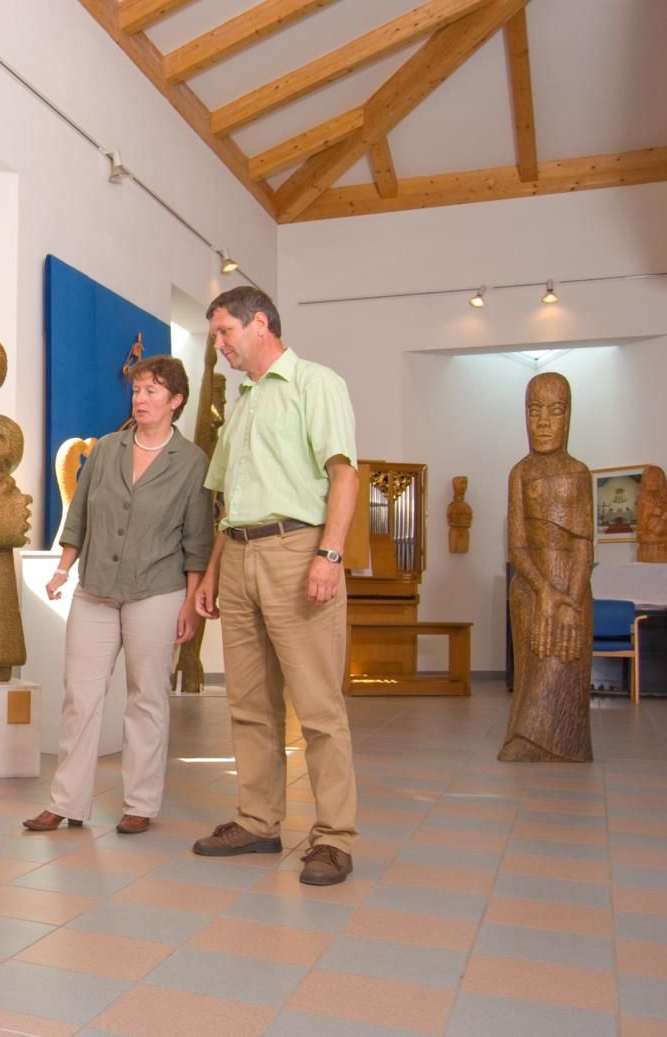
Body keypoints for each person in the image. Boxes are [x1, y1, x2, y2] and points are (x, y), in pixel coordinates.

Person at [193, 286, 359, 886]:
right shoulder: (242, 403)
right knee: (248, 705)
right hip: (237, 556)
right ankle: (259, 821)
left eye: (223, 333)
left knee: (317, 707)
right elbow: (227, 503)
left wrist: (329, 555)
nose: (219, 346)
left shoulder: (318, 384)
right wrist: (212, 572)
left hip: (298, 550)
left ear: (258, 324)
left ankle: (335, 836)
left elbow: (344, 475)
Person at [24, 355, 213, 836]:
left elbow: (197, 541)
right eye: (137, 390)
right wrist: (63, 570)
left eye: (152, 391)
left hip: (158, 590)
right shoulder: (107, 449)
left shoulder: (192, 462)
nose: (141, 399)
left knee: (147, 698)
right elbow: (80, 516)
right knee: (80, 698)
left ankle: (140, 803)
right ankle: (66, 801)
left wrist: (191, 604)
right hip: (95, 591)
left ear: (176, 401)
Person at [500, 373, 593, 762]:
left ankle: (565, 743)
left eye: (554, 412)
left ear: (568, 417)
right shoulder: (520, 473)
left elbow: (584, 544)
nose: (542, 422)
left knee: (563, 663)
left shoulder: (579, 472)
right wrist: (544, 591)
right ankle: (526, 735)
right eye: (533, 411)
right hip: (531, 588)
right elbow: (517, 545)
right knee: (535, 669)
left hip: (573, 586)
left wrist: (569, 598)